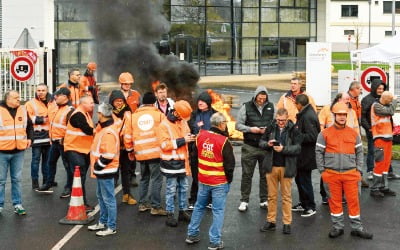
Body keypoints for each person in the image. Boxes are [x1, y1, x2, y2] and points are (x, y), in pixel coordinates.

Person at [315, 102, 373, 239]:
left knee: (354, 202)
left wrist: (358, 171)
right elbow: (318, 152)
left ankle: (357, 228)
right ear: (334, 115)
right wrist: (323, 171)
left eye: (344, 115)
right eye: (339, 114)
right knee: (334, 202)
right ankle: (337, 227)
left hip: (351, 174)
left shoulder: (353, 133)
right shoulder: (324, 134)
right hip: (331, 174)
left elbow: (360, 153)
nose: (342, 117)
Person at [186, 112, 235, 249]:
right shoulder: (224, 142)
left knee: (199, 207)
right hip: (219, 182)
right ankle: (214, 241)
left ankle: (192, 234)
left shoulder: (200, 136)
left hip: (203, 180)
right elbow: (229, 165)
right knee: (218, 211)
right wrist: (228, 181)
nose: (226, 125)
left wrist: (198, 176)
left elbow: (194, 157)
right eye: (225, 123)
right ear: (220, 124)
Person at [259, 108, 301, 235]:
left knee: (286, 197)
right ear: (276, 118)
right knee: (271, 196)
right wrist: (268, 144)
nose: (280, 123)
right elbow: (261, 142)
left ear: (287, 118)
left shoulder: (294, 129)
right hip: (271, 167)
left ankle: (287, 223)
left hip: (286, 167)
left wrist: (283, 149)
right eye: (278, 120)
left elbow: (298, 148)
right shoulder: (271, 127)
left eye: (283, 121)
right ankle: (271, 221)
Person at [126, 92, 167, 215]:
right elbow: (165, 133)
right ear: (154, 102)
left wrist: (130, 150)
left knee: (144, 178)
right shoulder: (159, 115)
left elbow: (128, 135)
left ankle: (142, 204)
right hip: (155, 153)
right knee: (156, 180)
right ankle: (156, 206)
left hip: (141, 153)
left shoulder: (133, 116)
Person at [235, 86, 274, 212]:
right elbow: (238, 125)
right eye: (259, 98)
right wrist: (251, 129)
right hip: (249, 147)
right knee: (247, 175)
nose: (262, 100)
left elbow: (276, 123)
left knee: (265, 175)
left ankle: (264, 200)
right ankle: (244, 200)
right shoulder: (245, 107)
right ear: (255, 96)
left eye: (264, 98)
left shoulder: (272, 107)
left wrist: (268, 131)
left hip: (265, 146)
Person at [158, 100, 194, 227]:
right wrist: (183, 140)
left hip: (182, 162)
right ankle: (170, 214)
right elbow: (164, 145)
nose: (184, 119)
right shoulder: (164, 125)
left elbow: (187, 133)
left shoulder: (183, 121)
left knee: (184, 188)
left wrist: (190, 137)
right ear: (177, 113)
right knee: (171, 190)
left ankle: (182, 211)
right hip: (171, 165)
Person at [87, 103, 119, 237]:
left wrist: (97, 166)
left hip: (105, 170)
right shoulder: (104, 129)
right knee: (102, 197)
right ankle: (103, 221)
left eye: (98, 113)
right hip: (102, 171)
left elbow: (109, 155)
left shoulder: (108, 132)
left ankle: (111, 226)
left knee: (108, 199)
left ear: (101, 115)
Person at [36, 88, 74, 196]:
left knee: (67, 166)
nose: (55, 97)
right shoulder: (58, 108)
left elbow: (71, 129)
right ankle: (49, 182)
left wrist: (65, 141)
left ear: (66, 97)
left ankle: (69, 187)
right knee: (50, 163)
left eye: (58, 95)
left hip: (63, 143)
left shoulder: (69, 110)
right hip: (55, 142)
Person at [0, 90, 33, 215]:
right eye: (16, 98)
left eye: (19, 97)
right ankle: (0, 205)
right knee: (1, 180)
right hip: (2, 151)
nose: (19, 100)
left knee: (17, 179)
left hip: (18, 151)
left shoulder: (23, 110)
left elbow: (29, 126)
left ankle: (18, 204)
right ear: (8, 99)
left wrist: (30, 138)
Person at [361, 79, 400, 180]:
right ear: (374, 88)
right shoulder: (368, 100)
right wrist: (368, 128)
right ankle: (370, 171)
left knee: (385, 155)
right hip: (374, 131)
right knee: (371, 151)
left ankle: (388, 171)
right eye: (379, 88)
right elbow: (363, 116)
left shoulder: (384, 99)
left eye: (382, 88)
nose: (381, 90)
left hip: (384, 132)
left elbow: (387, 115)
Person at [64, 95, 95, 212]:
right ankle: (81, 203)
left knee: (80, 177)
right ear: (83, 104)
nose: (93, 105)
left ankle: (79, 201)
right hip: (74, 149)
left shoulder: (85, 114)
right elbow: (88, 130)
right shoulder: (78, 115)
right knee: (79, 176)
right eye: (90, 103)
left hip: (83, 150)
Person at [188, 91, 217, 210]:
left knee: (209, 176)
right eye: (199, 101)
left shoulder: (216, 115)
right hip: (196, 150)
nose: (200, 103)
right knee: (196, 177)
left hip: (210, 151)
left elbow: (222, 132)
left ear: (208, 103)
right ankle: (193, 200)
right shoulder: (193, 114)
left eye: (203, 101)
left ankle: (209, 200)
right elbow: (188, 129)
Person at [291, 94, 319, 217]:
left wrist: (298, 136)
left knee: (305, 180)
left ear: (299, 104)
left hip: (306, 155)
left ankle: (310, 206)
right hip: (301, 155)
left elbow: (313, 136)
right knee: (299, 179)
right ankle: (303, 203)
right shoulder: (305, 114)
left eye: (295, 104)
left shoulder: (308, 116)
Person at [107, 90, 137, 204]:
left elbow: (130, 129)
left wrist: (130, 146)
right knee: (112, 172)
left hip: (125, 148)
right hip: (112, 147)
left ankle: (127, 195)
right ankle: (109, 197)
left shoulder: (128, 112)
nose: (119, 103)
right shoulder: (108, 113)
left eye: (121, 101)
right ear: (112, 102)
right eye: (116, 101)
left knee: (126, 171)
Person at [370, 91, 398, 197]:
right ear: (385, 98)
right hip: (380, 138)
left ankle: (383, 186)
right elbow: (391, 111)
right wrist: (394, 101)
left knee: (386, 163)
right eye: (390, 100)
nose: (391, 102)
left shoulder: (383, 105)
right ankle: (375, 188)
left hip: (387, 138)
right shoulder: (376, 106)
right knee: (380, 164)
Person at [25, 83, 52, 189]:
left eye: (43, 90)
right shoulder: (30, 103)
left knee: (47, 161)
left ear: (47, 91)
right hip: (36, 136)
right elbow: (29, 119)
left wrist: (42, 119)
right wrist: (42, 119)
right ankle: (35, 182)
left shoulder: (52, 103)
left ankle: (46, 181)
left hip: (49, 136)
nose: (40, 92)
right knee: (36, 160)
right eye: (38, 90)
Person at [118, 72, 141, 186]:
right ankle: (116, 177)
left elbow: (140, 109)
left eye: (129, 84)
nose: (127, 86)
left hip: (132, 129)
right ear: (121, 84)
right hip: (118, 129)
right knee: (118, 153)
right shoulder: (115, 94)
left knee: (131, 153)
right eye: (125, 84)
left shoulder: (136, 94)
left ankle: (132, 175)